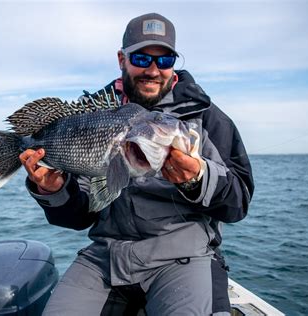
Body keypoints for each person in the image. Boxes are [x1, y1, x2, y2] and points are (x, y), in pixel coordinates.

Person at [19, 13, 254, 316]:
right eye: (142, 59)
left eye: (165, 60)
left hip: (184, 257)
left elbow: (238, 204)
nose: (153, 70)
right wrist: (54, 190)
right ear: (122, 59)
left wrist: (198, 178)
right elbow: (79, 216)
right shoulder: (92, 118)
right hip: (104, 258)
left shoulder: (207, 117)